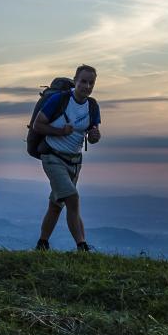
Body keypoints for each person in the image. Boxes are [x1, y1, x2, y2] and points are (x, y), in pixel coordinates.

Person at [31, 64, 101, 252]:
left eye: (91, 83)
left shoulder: (92, 106)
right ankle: (82, 246)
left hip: (75, 162)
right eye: (83, 81)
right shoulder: (59, 100)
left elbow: (93, 133)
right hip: (52, 157)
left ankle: (42, 243)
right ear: (75, 81)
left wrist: (95, 136)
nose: (87, 86)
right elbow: (38, 125)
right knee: (73, 198)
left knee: (56, 205)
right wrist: (60, 131)